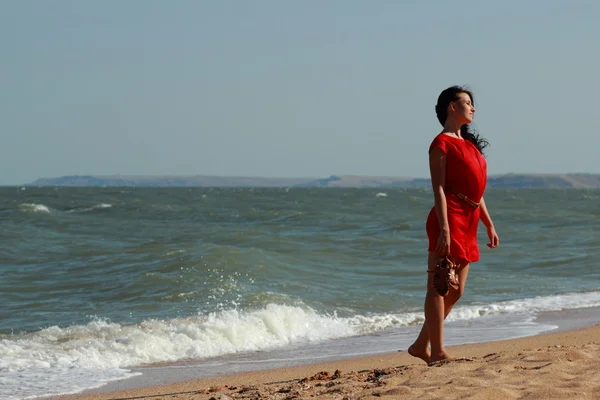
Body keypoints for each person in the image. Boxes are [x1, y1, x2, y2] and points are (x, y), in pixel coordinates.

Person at [408, 85, 500, 365]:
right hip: (448, 217)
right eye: (468, 102)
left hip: (469, 218)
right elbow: (438, 189)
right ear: (452, 106)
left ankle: (421, 344)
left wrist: (488, 222)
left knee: (457, 289)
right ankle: (437, 351)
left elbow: (476, 189)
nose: (473, 108)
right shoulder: (441, 143)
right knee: (438, 286)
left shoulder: (469, 144)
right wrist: (445, 228)